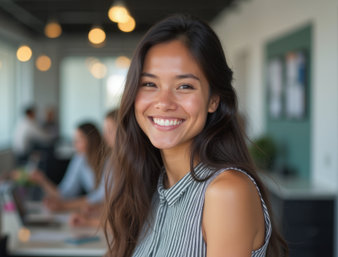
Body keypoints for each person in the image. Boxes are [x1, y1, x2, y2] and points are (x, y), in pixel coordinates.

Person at [103, 15, 288, 257]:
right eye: (149, 84)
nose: (164, 103)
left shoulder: (226, 192)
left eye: (185, 86)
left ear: (213, 99)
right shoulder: (152, 186)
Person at [29, 122, 105, 212]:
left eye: (78, 141)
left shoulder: (108, 161)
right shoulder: (79, 159)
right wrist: (42, 180)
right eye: (74, 140)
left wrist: (65, 206)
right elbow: (65, 193)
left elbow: (101, 197)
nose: (74, 145)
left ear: (91, 141)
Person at [69, 109, 118, 228]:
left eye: (110, 131)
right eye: (104, 131)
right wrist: (98, 210)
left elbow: (126, 220)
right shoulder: (114, 160)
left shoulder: (123, 163)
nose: (104, 136)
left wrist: (88, 222)